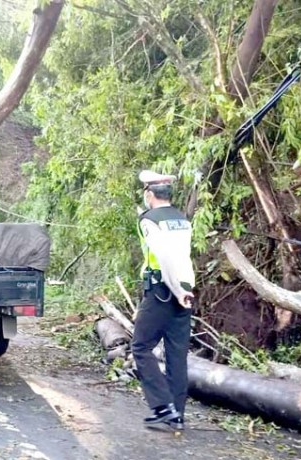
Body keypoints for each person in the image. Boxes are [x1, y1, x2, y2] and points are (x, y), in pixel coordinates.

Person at [132, 170, 196, 431]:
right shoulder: (182, 218)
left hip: (163, 290)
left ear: (149, 195)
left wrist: (174, 289)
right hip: (187, 290)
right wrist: (184, 290)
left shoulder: (149, 220)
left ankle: (162, 406)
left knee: (141, 346)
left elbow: (164, 256)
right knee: (176, 354)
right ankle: (177, 415)